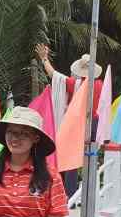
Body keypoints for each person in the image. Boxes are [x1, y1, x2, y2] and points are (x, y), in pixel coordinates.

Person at [34, 43, 104, 198]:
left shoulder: (75, 84)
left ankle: (70, 193)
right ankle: (90, 192)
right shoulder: (99, 84)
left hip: (77, 124)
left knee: (71, 157)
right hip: (93, 124)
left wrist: (44, 59)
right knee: (91, 157)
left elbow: (54, 75)